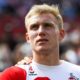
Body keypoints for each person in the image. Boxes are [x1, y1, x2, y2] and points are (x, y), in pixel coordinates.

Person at [0, 4, 80, 80]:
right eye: (34, 27)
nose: (41, 31)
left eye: (47, 25)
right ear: (27, 38)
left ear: (61, 34)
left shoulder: (78, 73)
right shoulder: (13, 76)